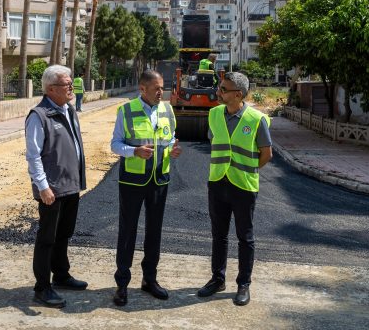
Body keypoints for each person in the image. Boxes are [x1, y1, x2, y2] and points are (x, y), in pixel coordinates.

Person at [197, 71, 272, 306]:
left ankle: (243, 284)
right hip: (218, 182)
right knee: (218, 235)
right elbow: (214, 141)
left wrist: (247, 169)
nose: (218, 92)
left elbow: (266, 154)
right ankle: (217, 279)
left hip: (244, 186)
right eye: (220, 88)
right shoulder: (213, 115)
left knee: (245, 237)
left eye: (223, 89)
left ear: (238, 94)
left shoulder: (256, 119)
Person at [110, 69, 182, 306]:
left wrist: (173, 147)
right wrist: (134, 152)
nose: (161, 91)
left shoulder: (167, 109)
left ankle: (150, 280)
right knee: (128, 231)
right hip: (132, 180)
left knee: (154, 232)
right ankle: (122, 284)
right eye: (156, 88)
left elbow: (169, 138)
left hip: (160, 178)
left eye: (162, 87)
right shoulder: (126, 110)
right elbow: (115, 144)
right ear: (143, 89)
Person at [25, 65, 88, 308]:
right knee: (47, 238)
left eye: (70, 82)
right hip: (52, 189)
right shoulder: (39, 116)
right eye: (66, 84)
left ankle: (61, 275)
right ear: (51, 89)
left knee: (64, 234)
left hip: (71, 186)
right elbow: (33, 155)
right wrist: (42, 186)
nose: (71, 87)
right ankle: (42, 287)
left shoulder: (68, 109)